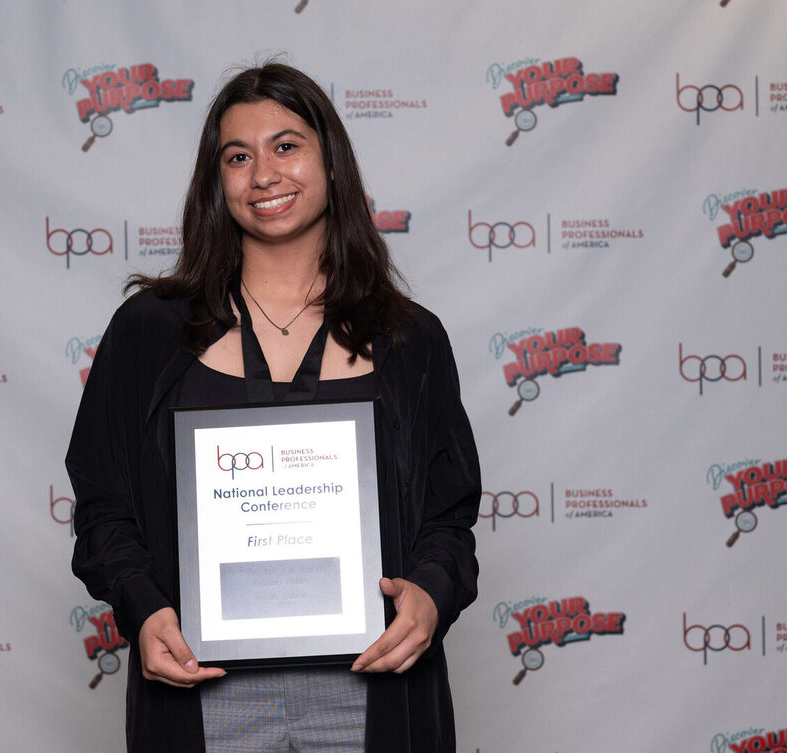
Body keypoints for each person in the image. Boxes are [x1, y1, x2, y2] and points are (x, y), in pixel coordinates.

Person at [66, 62, 480, 753]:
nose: (263, 175)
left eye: (286, 146)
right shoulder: (148, 333)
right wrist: (142, 606)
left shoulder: (410, 340)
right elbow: (104, 503)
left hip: (370, 685)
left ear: (331, 162)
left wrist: (432, 593)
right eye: (238, 157)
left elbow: (448, 513)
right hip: (204, 688)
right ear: (216, 181)